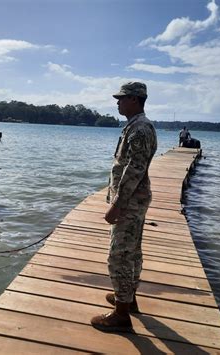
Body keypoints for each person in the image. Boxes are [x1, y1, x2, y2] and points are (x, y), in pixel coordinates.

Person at [91, 82, 157, 332]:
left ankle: (121, 315)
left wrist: (117, 204)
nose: (117, 102)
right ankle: (129, 298)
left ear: (136, 100)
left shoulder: (140, 128)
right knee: (132, 251)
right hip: (134, 199)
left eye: (122, 98)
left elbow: (135, 168)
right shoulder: (136, 126)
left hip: (129, 201)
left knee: (119, 254)